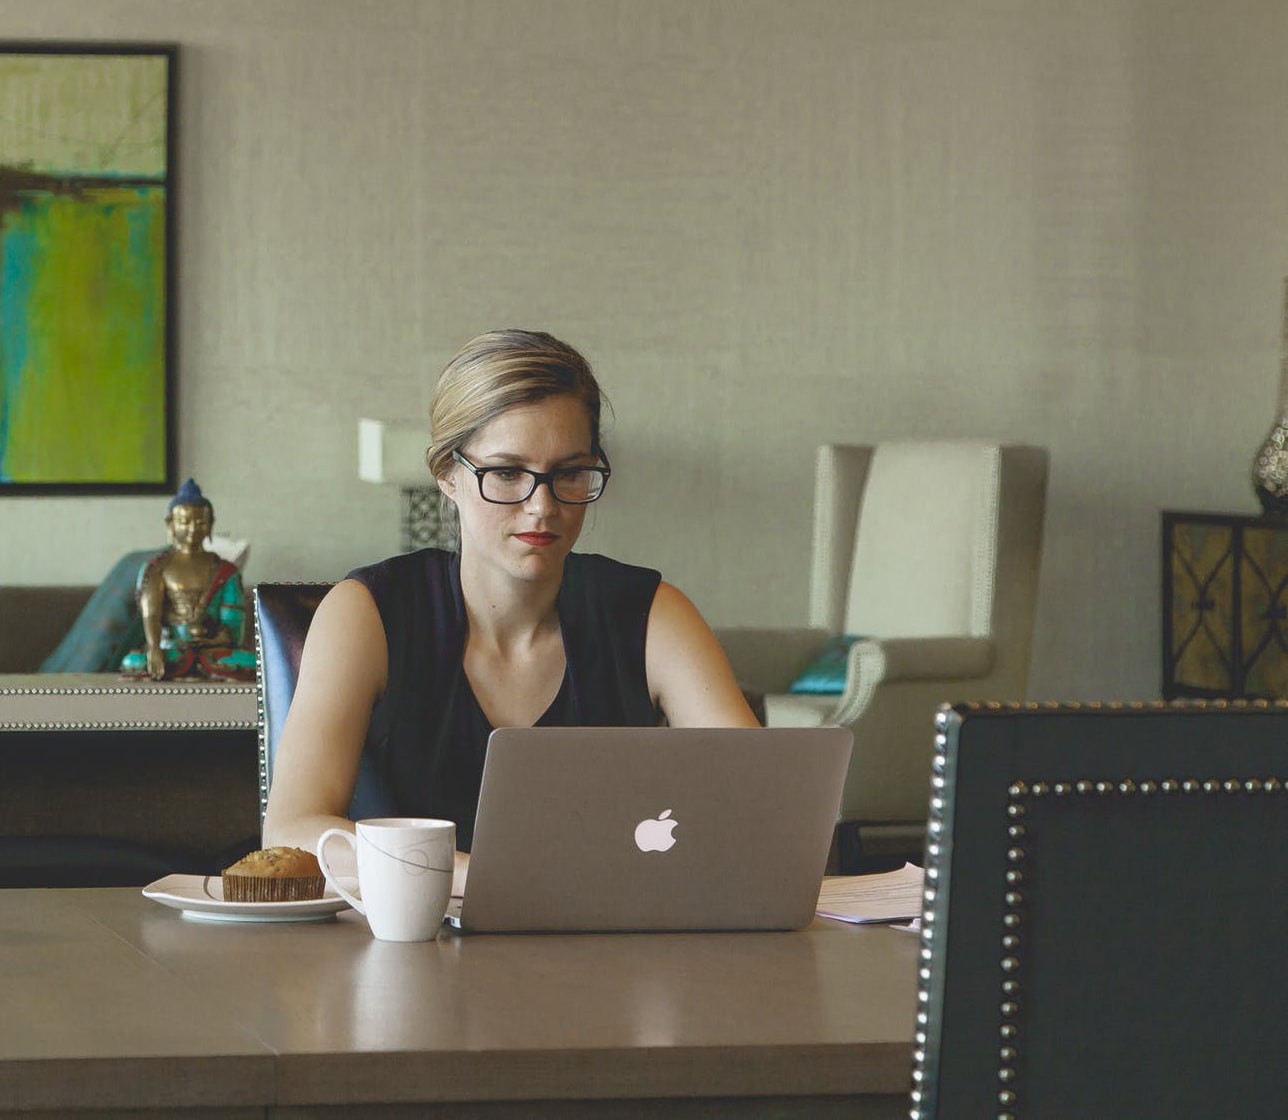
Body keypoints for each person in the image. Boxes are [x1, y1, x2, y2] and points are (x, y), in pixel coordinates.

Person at [262, 329, 759, 888]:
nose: (542, 506)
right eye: (506, 473)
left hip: (606, 952)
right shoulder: (367, 613)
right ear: (447, 474)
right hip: (403, 950)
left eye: (569, 472)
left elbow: (758, 810)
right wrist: (491, 880)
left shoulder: (651, 614)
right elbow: (291, 830)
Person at [119, 478, 256, 682]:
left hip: (212, 651)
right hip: (172, 649)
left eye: (200, 522)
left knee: (255, 662)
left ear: (211, 524)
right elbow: (151, 615)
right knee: (134, 661)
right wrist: (155, 648)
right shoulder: (157, 568)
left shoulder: (226, 571)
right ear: (170, 523)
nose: (193, 529)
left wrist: (212, 638)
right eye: (185, 522)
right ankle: (194, 667)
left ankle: (194, 666)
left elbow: (233, 626)